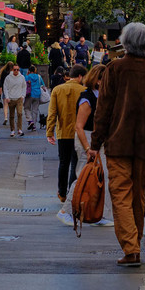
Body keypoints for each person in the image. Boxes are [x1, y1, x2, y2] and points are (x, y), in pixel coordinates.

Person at [90, 23, 145, 266]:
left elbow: (103, 110)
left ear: (126, 43)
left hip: (119, 142)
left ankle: (131, 248)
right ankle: (134, 245)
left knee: (120, 194)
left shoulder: (115, 69)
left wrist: (95, 142)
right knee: (138, 196)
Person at [46, 60, 85, 220]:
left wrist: (50, 132)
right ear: (80, 76)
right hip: (79, 133)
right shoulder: (84, 90)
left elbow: (52, 112)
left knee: (63, 162)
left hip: (62, 132)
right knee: (75, 164)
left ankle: (61, 192)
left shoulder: (57, 90)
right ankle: (71, 192)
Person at [2, 61, 27, 137]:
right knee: (12, 115)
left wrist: (23, 96)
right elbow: (5, 88)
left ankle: (19, 129)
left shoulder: (22, 77)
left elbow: (24, 87)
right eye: (15, 69)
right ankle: (12, 130)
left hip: (19, 98)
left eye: (17, 70)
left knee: (20, 113)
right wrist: (7, 97)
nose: (16, 71)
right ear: (12, 70)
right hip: (11, 98)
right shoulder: (8, 78)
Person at [23, 61, 45, 132]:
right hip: (37, 94)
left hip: (29, 94)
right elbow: (43, 85)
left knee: (26, 108)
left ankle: (30, 120)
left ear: (29, 71)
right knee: (35, 110)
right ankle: (34, 126)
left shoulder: (27, 77)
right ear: (35, 70)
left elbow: (24, 85)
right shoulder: (39, 77)